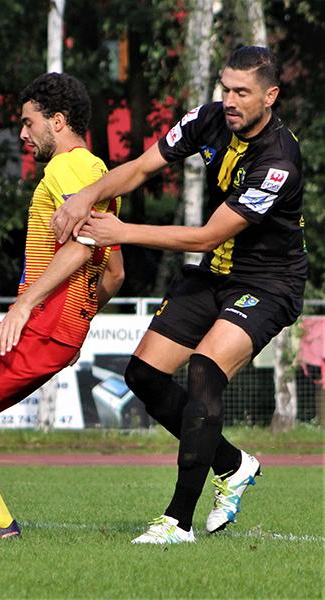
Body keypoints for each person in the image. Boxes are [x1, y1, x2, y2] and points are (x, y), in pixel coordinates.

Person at [50, 46, 305, 544]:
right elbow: (142, 167)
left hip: (267, 282)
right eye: (225, 88)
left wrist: (120, 230)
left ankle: (177, 522)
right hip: (215, 273)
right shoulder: (208, 119)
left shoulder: (279, 160)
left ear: (270, 96)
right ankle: (233, 465)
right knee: (142, 375)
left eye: (242, 92)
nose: (229, 100)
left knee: (206, 367)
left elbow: (208, 234)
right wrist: (86, 195)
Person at [0, 73, 125, 540]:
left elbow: (84, 241)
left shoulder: (66, 169)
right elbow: (114, 273)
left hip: (41, 323)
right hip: (57, 326)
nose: (23, 133)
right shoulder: (97, 171)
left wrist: (27, 305)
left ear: (57, 121)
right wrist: (77, 324)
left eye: (29, 122)